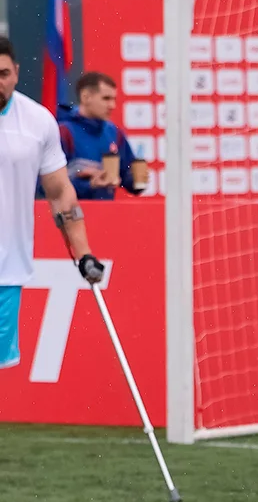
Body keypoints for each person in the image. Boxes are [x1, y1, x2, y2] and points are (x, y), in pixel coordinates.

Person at [0, 37, 104, 370]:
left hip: (6, 270)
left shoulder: (38, 121)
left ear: (16, 73)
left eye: (3, 74)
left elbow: (59, 194)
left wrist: (83, 253)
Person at [57, 72, 148, 200]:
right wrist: (88, 185)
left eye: (114, 99)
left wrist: (137, 179)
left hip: (105, 211)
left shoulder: (114, 132)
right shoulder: (63, 132)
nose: (112, 106)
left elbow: (126, 176)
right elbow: (47, 184)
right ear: (85, 97)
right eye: (106, 98)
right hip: (71, 210)